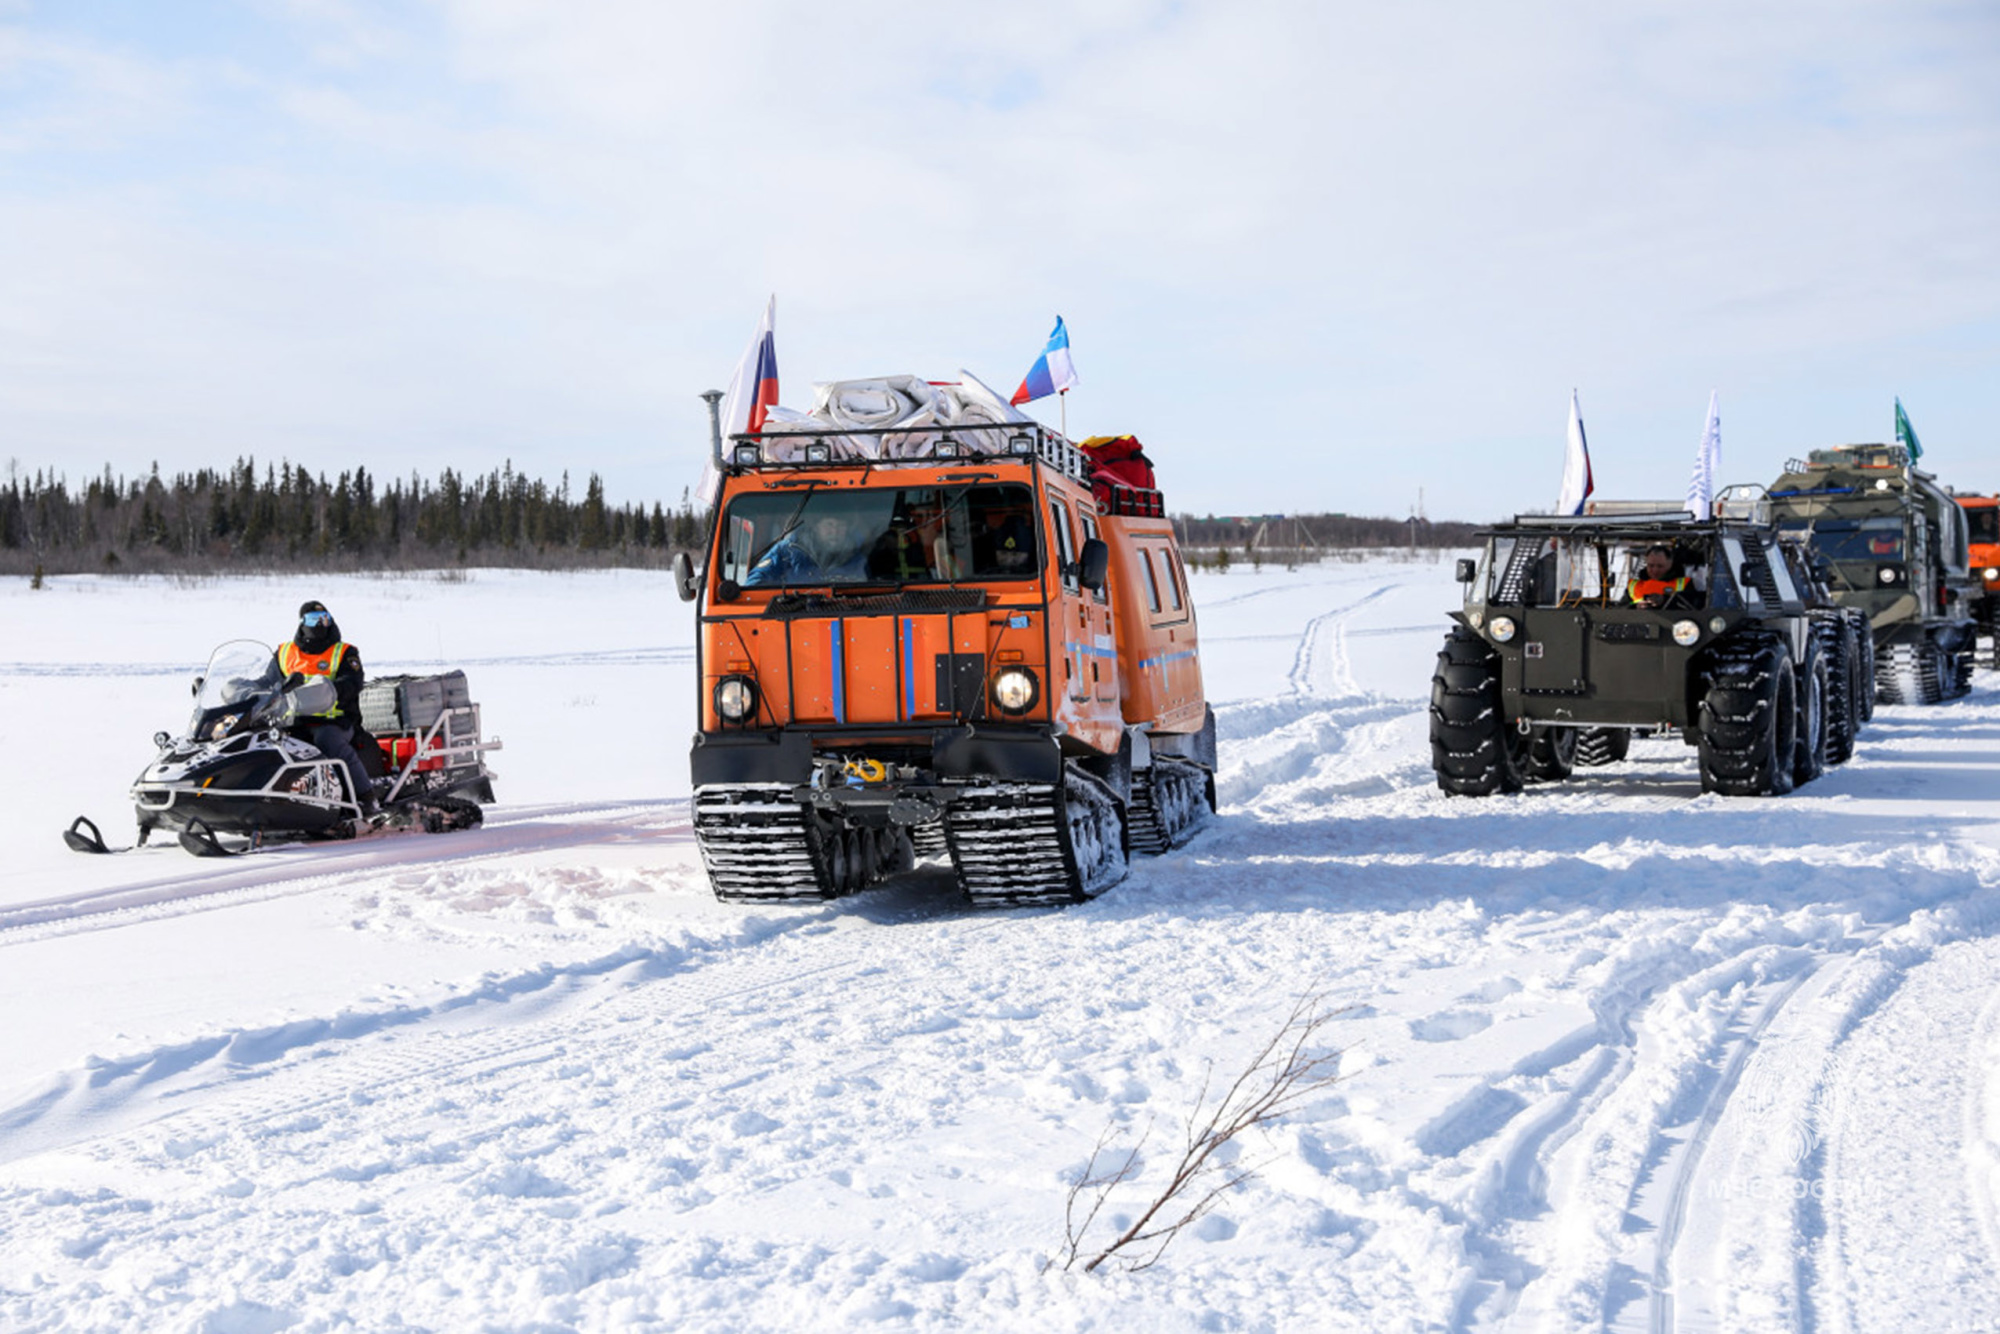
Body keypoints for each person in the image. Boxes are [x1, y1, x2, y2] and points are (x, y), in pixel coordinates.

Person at [277, 600, 379, 810]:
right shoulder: (284, 652)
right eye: (314, 620)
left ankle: (366, 796)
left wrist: (330, 690)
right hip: (293, 721)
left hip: (335, 721)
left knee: (328, 740)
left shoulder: (344, 652)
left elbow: (352, 682)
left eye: (325, 619)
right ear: (302, 622)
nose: (321, 624)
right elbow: (267, 679)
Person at [745, 510, 871, 586]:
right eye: (829, 524)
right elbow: (754, 585)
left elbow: (881, 590)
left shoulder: (861, 556)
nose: (835, 531)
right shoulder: (787, 551)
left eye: (841, 525)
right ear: (815, 526)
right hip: (793, 621)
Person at [1626, 545, 1692, 607]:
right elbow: (1622, 607)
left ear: (1670, 563)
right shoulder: (1634, 586)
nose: (1655, 570)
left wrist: (1664, 601)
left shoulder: (1684, 585)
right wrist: (1636, 605)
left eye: (1660, 566)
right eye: (1651, 566)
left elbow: (1692, 608)